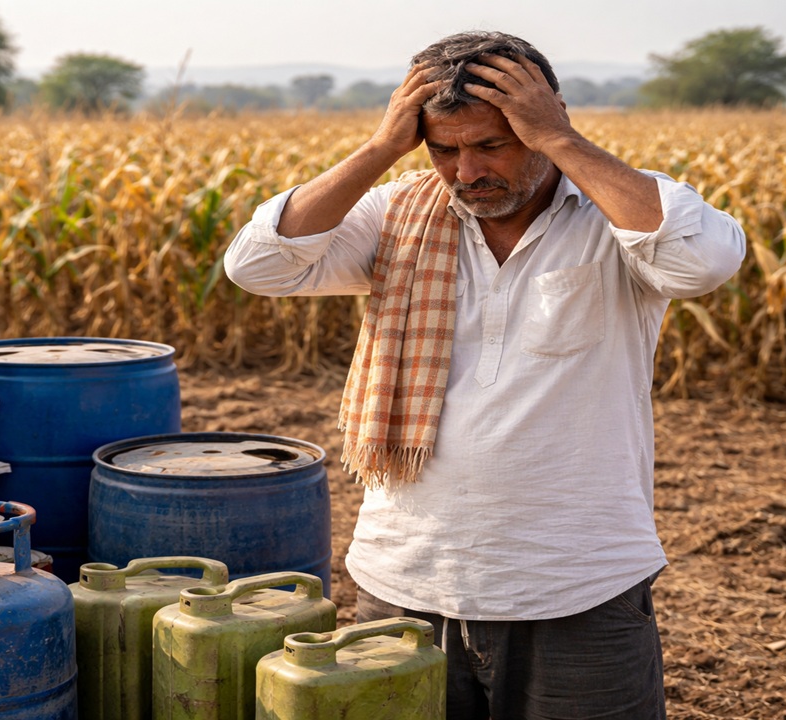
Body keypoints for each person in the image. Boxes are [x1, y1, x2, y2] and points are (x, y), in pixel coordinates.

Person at [224, 30, 745, 720]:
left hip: (576, 587)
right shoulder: (395, 217)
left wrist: (562, 142)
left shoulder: (618, 220)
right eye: (445, 148)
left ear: (548, 117)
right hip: (405, 579)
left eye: (491, 145)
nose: (468, 171)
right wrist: (382, 148)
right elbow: (257, 266)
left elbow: (702, 261)